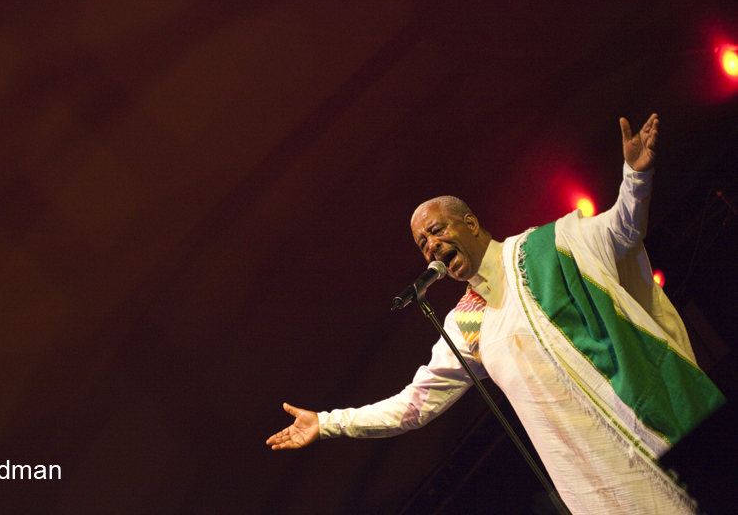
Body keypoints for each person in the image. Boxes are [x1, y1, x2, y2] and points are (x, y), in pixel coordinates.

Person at [266, 114, 725, 515]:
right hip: (604, 483)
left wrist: (636, 178)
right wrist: (327, 423)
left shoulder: (551, 243)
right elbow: (412, 406)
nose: (431, 246)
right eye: (422, 244)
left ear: (469, 223)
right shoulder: (465, 323)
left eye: (437, 230)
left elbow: (623, 228)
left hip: (656, 427)